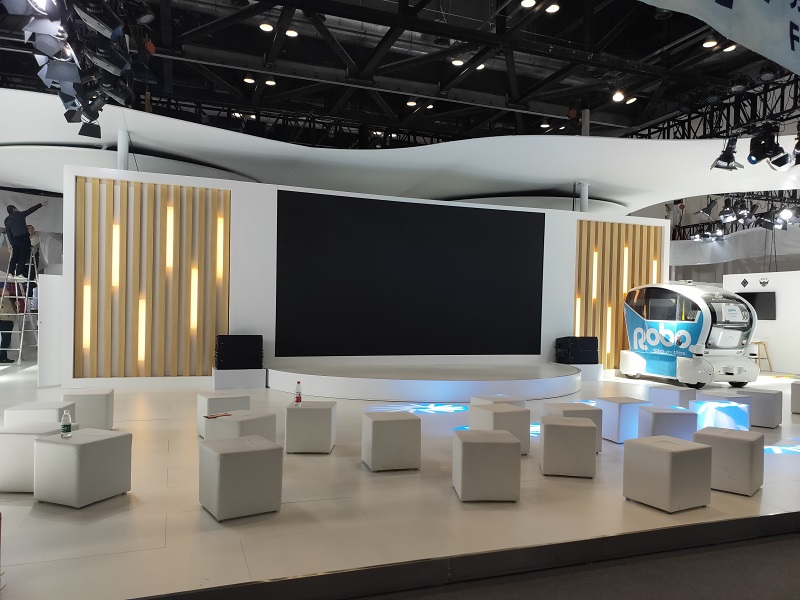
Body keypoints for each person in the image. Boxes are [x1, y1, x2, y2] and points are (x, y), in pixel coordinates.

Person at [4, 202, 47, 280]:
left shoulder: (7, 220)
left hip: (14, 239)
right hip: (23, 238)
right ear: (14, 209)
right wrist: (40, 204)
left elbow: (8, 232)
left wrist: (11, 242)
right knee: (23, 256)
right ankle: (18, 273)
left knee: (14, 256)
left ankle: (10, 272)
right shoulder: (20, 214)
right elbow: (30, 210)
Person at [0, 291, 15, 363]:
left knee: (7, 340)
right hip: (4, 321)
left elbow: (14, 310)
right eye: (5, 290)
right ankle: (2, 357)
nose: (8, 291)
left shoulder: (10, 300)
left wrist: (16, 306)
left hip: (9, 321)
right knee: (5, 340)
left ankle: (3, 357)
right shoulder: (2, 299)